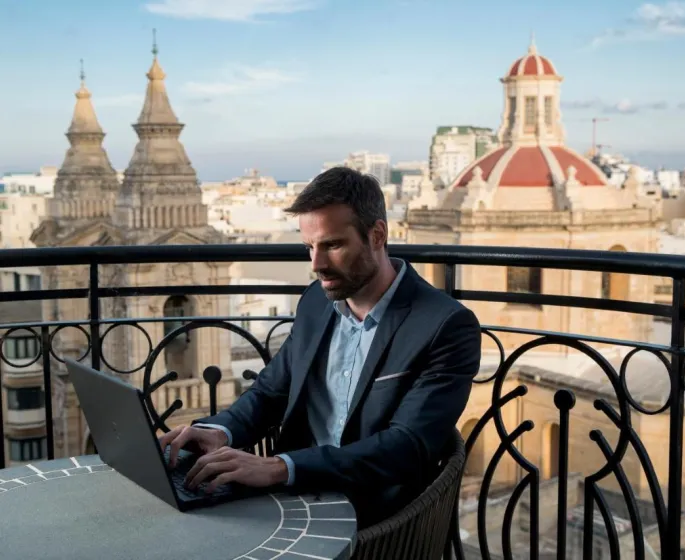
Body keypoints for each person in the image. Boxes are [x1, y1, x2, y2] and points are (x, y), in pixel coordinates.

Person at [158, 166, 481, 527]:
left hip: (376, 516)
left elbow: (406, 447)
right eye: (309, 247)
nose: (317, 264)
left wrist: (279, 468)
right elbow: (269, 392)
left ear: (377, 235)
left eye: (332, 245)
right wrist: (220, 432)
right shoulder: (316, 302)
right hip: (292, 500)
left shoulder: (444, 325)